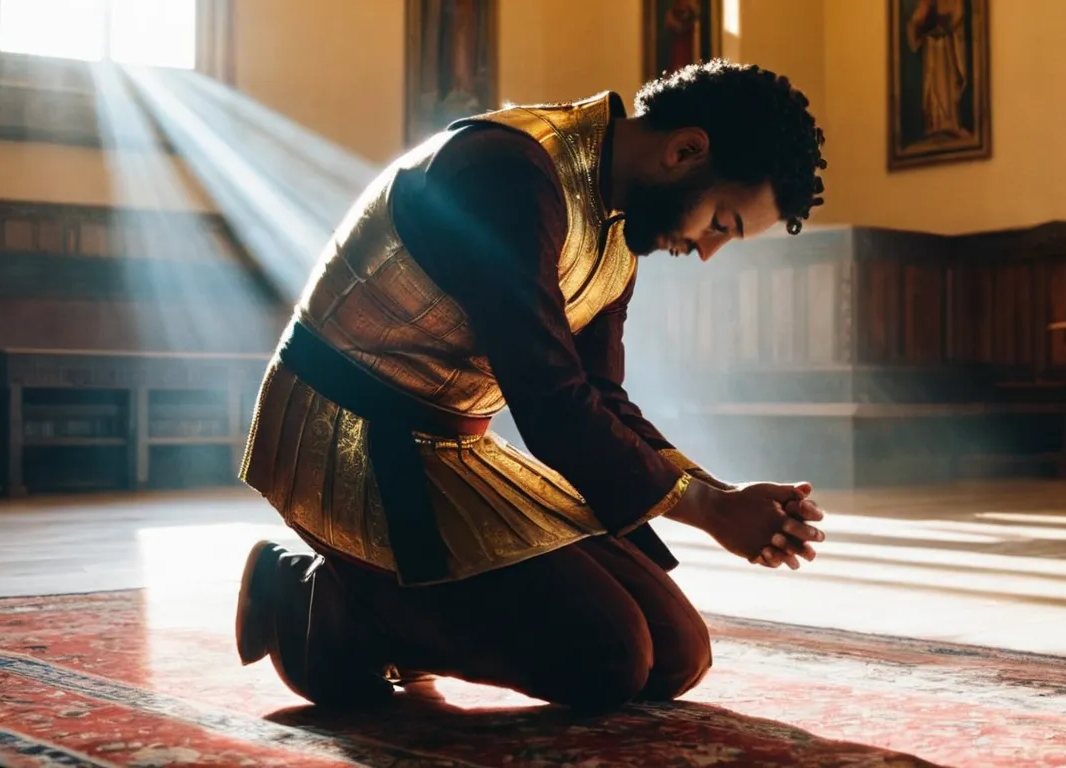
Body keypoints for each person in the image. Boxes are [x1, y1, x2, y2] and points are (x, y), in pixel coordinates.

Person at [235, 59, 829, 713]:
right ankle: (315, 599)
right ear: (686, 150)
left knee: (677, 654)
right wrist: (711, 513)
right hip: (351, 433)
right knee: (609, 658)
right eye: (722, 222)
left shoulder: (621, 222)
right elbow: (550, 402)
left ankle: (381, 610)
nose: (709, 249)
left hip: (453, 446)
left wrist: (719, 493)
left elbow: (599, 394)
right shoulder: (508, 170)